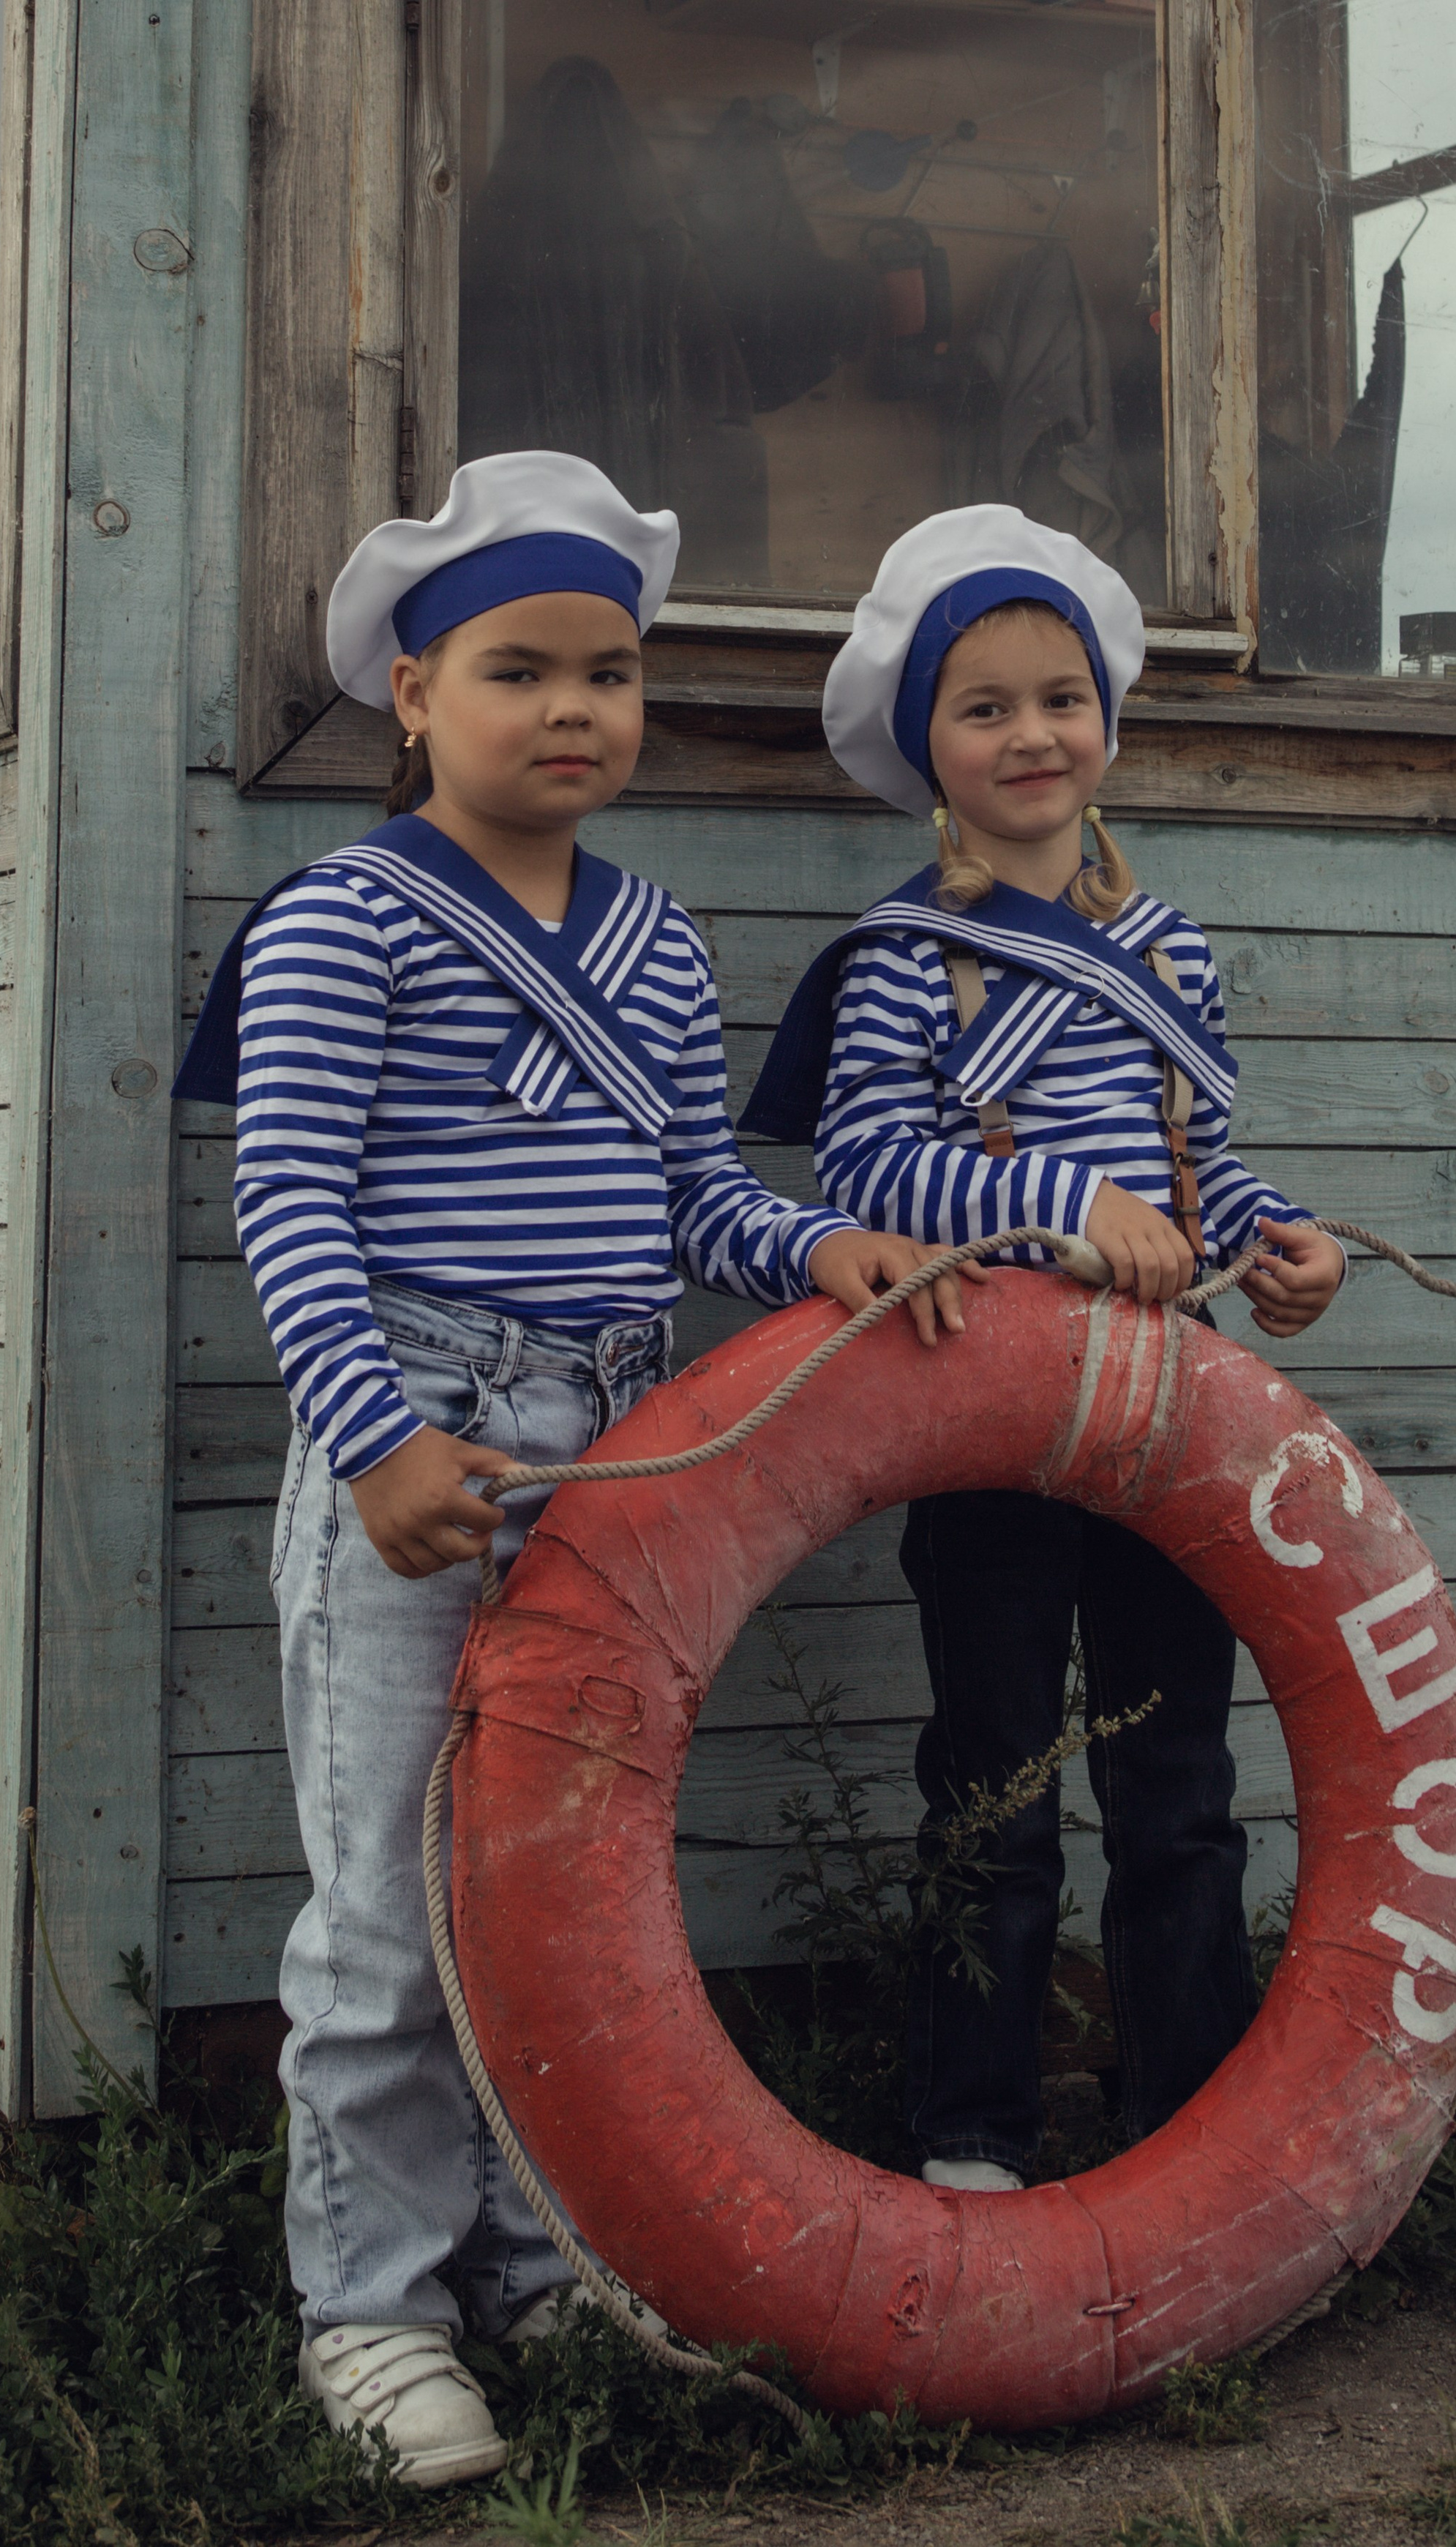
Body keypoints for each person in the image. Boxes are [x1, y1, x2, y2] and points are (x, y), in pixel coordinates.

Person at [173, 453, 965, 2488]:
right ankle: (371, 2309)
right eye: (518, 669)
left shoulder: (659, 940)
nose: (574, 710)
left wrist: (823, 1247)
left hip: (620, 1447)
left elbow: (697, 1190)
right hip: (424, 1438)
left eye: (610, 672)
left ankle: (545, 2264)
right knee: (382, 1905)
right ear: (413, 694)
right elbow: (287, 1198)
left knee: (559, 1882)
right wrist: (370, 1443)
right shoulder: (349, 917)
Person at [743, 505, 1347, 2196]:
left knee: (1176, 1786)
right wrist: (1063, 1210)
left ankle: (1188, 2122)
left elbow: (1196, 1166)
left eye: (1058, 697)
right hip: (987, 1429)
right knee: (992, 1783)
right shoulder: (898, 962)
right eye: (985, 705)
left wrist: (1274, 1239)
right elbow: (860, 1164)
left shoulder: (1167, 950)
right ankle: (970, 2130)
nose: (1030, 734)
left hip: (1164, 1427)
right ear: (925, 746)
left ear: (1107, 720)